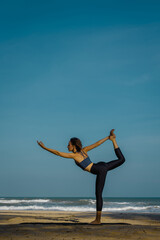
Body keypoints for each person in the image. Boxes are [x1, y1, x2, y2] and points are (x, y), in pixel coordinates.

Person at [37, 129, 125, 224]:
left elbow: (58, 153)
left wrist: (45, 148)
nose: (67, 146)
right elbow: (97, 143)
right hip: (101, 166)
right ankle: (113, 140)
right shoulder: (84, 150)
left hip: (100, 169)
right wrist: (108, 138)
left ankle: (98, 220)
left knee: (98, 194)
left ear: (74, 145)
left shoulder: (74, 156)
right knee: (122, 159)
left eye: (69, 144)